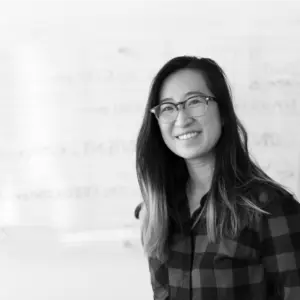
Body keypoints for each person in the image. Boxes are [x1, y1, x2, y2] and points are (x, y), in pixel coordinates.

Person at [134, 55, 300, 300]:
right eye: (168, 107)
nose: (182, 119)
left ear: (223, 112)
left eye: (195, 102)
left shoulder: (270, 208)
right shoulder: (158, 210)